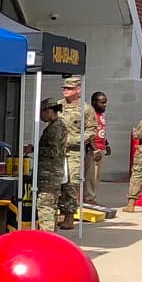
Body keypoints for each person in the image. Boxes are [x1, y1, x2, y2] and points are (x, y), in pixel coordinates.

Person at [33, 97, 67, 229]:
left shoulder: (55, 128)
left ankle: (46, 234)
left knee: (45, 205)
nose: (41, 116)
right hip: (52, 172)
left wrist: (35, 149)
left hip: (49, 173)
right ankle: (50, 232)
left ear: (48, 111)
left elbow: (53, 151)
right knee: (50, 204)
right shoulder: (57, 126)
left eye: (41, 113)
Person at [56, 78, 85, 228]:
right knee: (55, 183)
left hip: (73, 152)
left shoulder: (85, 108)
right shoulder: (58, 105)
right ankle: (57, 214)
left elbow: (91, 130)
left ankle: (69, 215)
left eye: (69, 88)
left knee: (71, 184)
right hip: (56, 152)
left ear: (78, 89)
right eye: (65, 88)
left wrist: (73, 140)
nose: (65, 90)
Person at [84, 91, 110, 207]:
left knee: (96, 176)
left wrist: (106, 143)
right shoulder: (91, 114)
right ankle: (88, 198)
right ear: (94, 102)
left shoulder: (101, 114)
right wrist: (95, 149)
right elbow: (89, 134)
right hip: (92, 149)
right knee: (91, 175)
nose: (105, 105)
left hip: (100, 147)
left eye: (105, 103)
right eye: (102, 102)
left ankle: (92, 197)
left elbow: (100, 131)